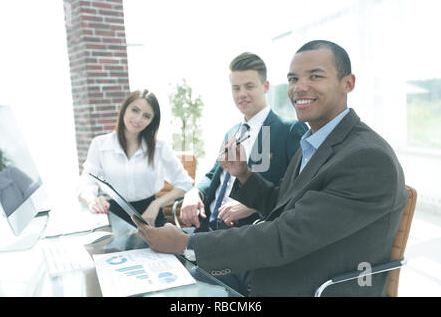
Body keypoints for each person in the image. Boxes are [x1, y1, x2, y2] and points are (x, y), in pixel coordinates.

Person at [132, 40, 408, 297]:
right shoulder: (315, 143)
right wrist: (243, 174)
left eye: (315, 76)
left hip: (301, 284)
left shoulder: (366, 157)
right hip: (266, 264)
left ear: (348, 83)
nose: (299, 87)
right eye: (293, 79)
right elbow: (285, 205)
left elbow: (285, 236)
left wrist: (185, 245)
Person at [180, 52, 307, 232]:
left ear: (265, 86)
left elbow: (300, 188)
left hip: (249, 233)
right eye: (236, 88)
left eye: (249, 86)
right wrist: (195, 192)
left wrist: (254, 205)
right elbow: (213, 174)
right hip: (206, 228)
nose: (242, 94)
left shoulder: (289, 130)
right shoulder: (232, 132)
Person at [78, 89, 193, 227]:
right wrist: (92, 200)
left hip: (150, 217)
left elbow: (185, 184)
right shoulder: (100, 144)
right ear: (124, 109)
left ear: (152, 121)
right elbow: (86, 183)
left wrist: (156, 204)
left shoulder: (159, 147)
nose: (138, 119)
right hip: (114, 219)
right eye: (135, 110)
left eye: (146, 116)